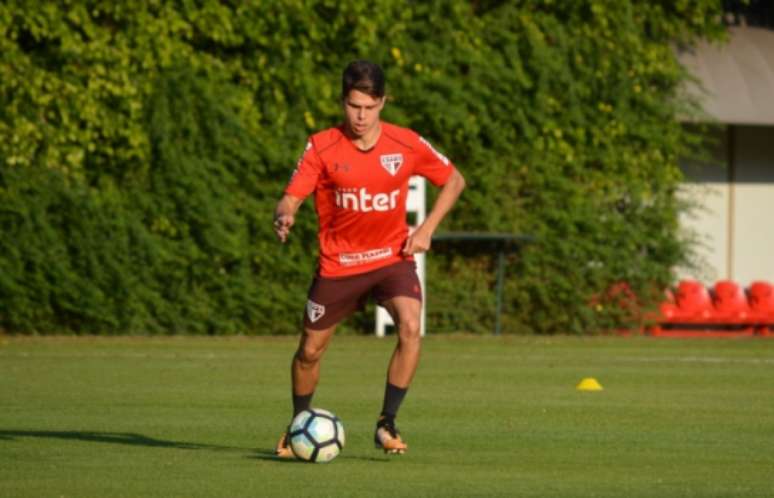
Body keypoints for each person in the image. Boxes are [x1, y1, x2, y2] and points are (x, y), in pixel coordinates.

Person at [273, 60, 465, 456]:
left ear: (383, 102)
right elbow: (291, 195)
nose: (360, 116)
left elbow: (454, 180)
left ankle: (386, 423)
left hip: (390, 259)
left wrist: (426, 228)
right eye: (353, 105)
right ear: (343, 101)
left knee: (411, 327)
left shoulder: (406, 142)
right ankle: (298, 426)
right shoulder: (321, 145)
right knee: (309, 350)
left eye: (369, 106)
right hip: (338, 266)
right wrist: (285, 212)